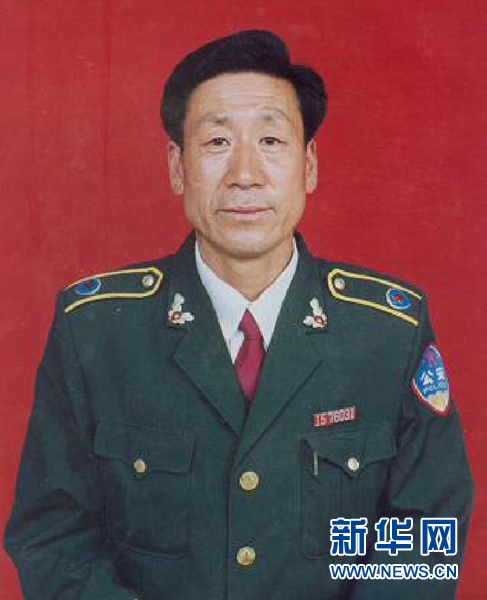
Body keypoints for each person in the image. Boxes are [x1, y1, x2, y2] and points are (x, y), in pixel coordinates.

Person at [4, 30, 473, 600]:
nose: (245, 173)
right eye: (218, 142)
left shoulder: (387, 334)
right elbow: (52, 535)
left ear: (309, 165)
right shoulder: (97, 330)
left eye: (271, 140)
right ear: (177, 167)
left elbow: (425, 538)